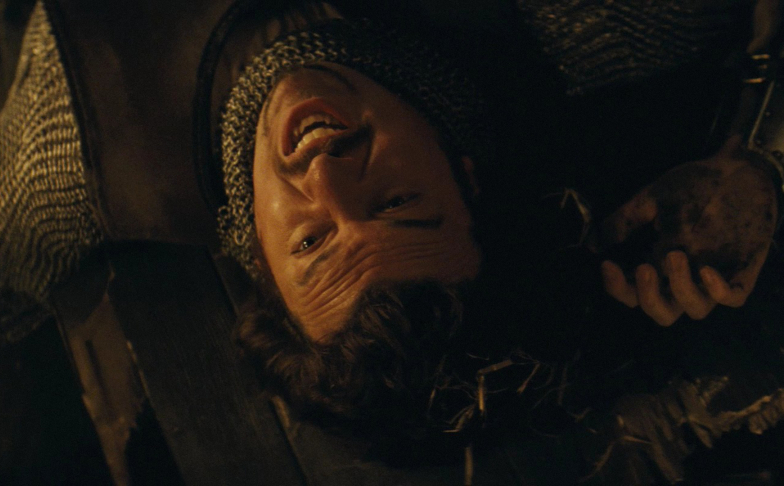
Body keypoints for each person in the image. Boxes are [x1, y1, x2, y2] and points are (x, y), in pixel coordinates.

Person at [197, 0, 784, 481]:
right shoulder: (600, 25)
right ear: (466, 175)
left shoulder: (135, 168)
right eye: (396, 202)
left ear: (258, 257)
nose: (324, 173)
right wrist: (762, 155)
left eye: (309, 242)